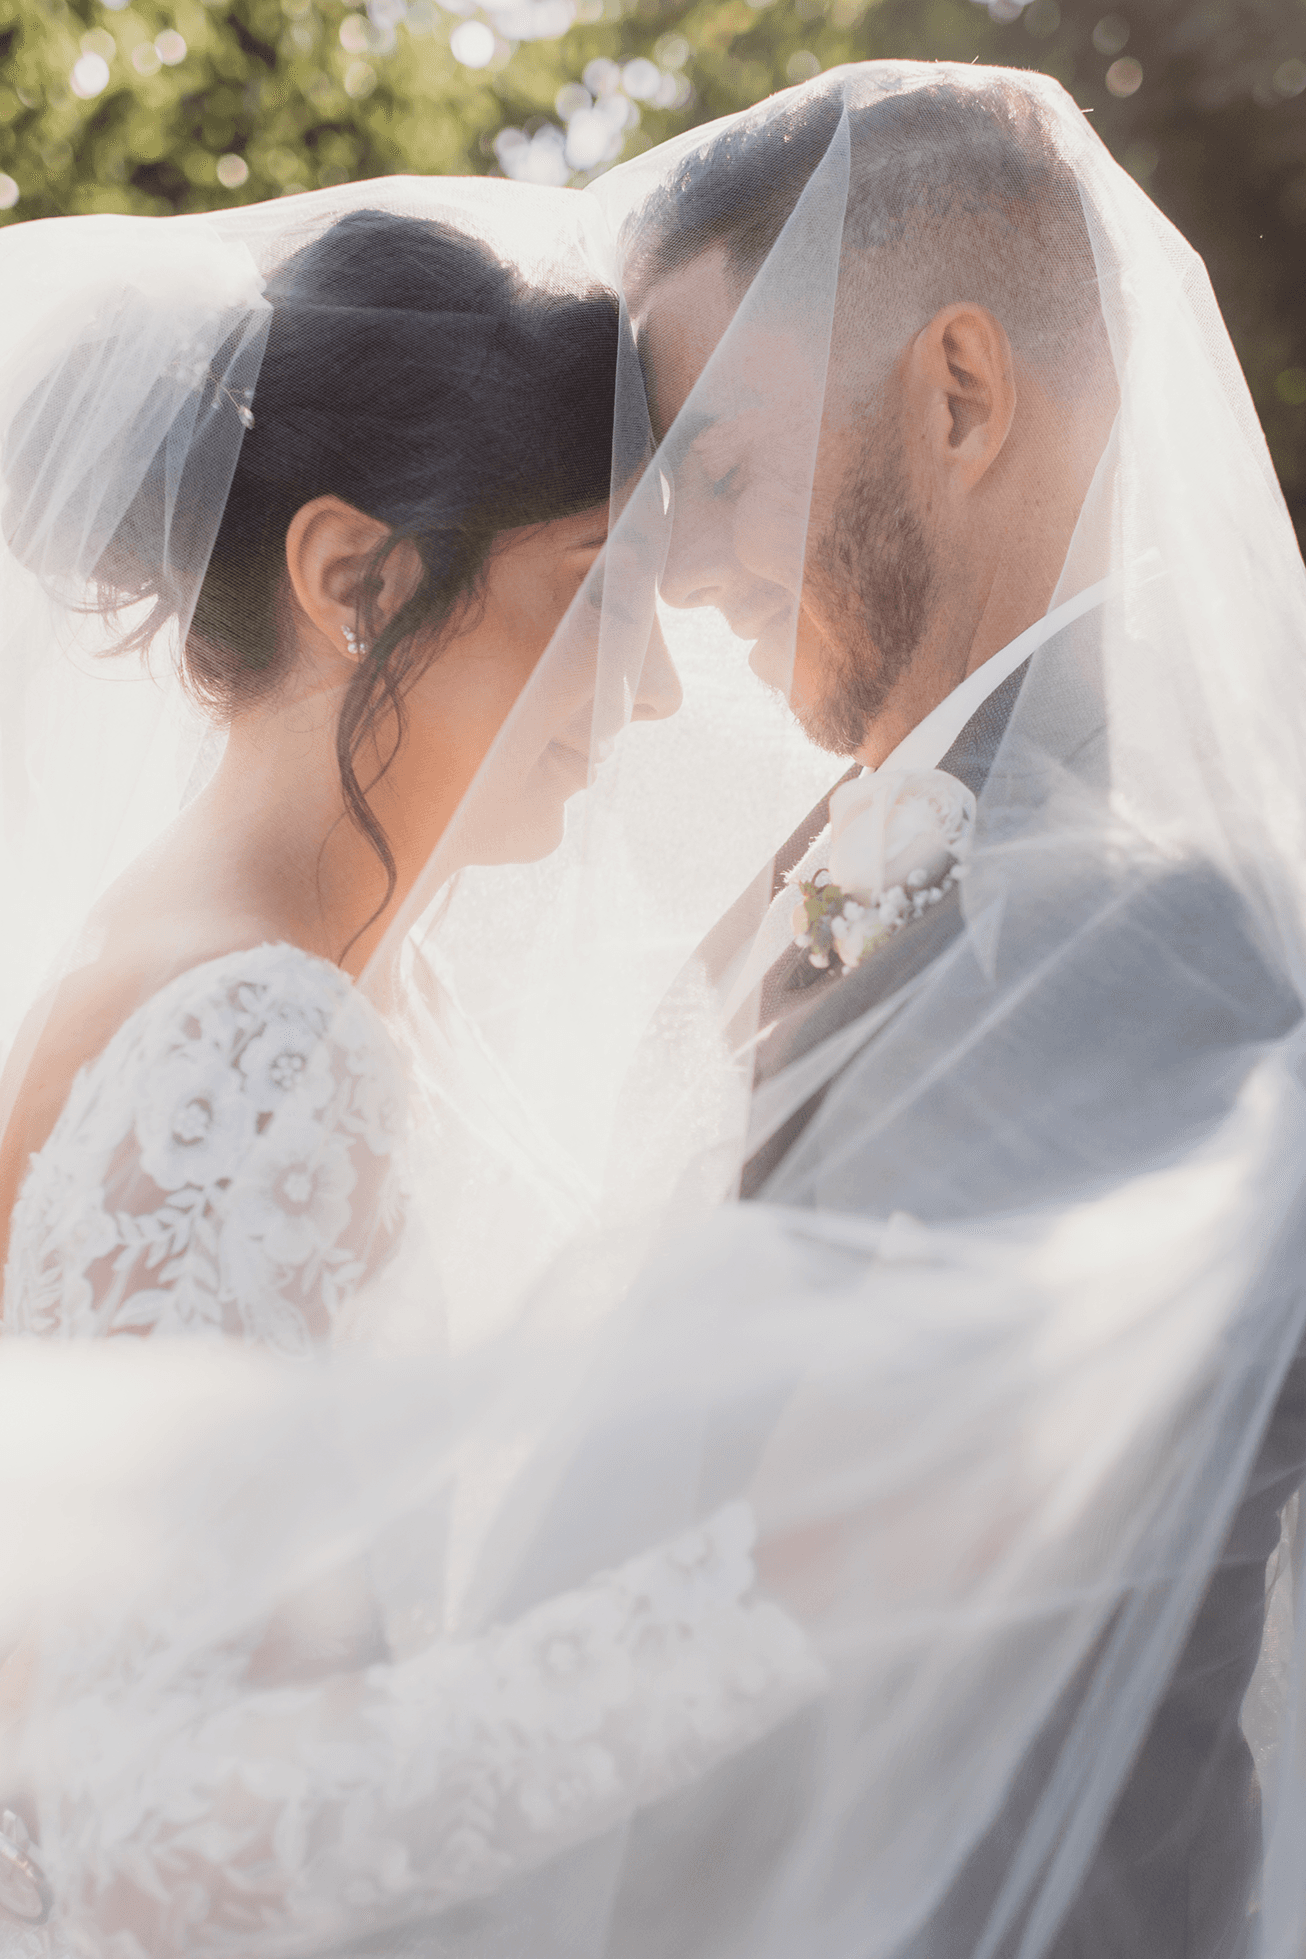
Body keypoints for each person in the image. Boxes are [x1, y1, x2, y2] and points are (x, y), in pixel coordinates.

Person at [590, 64, 1306, 1959]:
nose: (679, 567)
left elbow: (880, 1593)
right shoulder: (902, 842)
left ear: (961, 394)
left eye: (718, 470)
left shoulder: (1145, 905)